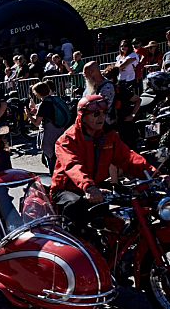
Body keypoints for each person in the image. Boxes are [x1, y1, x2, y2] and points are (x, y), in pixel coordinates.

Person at [50, 95, 170, 235]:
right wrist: (89, 187)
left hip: (96, 186)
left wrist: (156, 175)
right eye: (96, 114)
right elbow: (73, 166)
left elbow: (127, 157)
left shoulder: (108, 135)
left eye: (104, 113)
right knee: (76, 211)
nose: (101, 117)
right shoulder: (68, 139)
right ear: (82, 115)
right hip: (68, 188)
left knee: (133, 206)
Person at [26, 81, 71, 172]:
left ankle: (53, 175)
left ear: (38, 93)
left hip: (50, 132)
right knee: (59, 153)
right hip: (60, 128)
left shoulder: (44, 104)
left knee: (51, 157)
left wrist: (28, 115)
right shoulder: (54, 99)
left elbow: (36, 123)